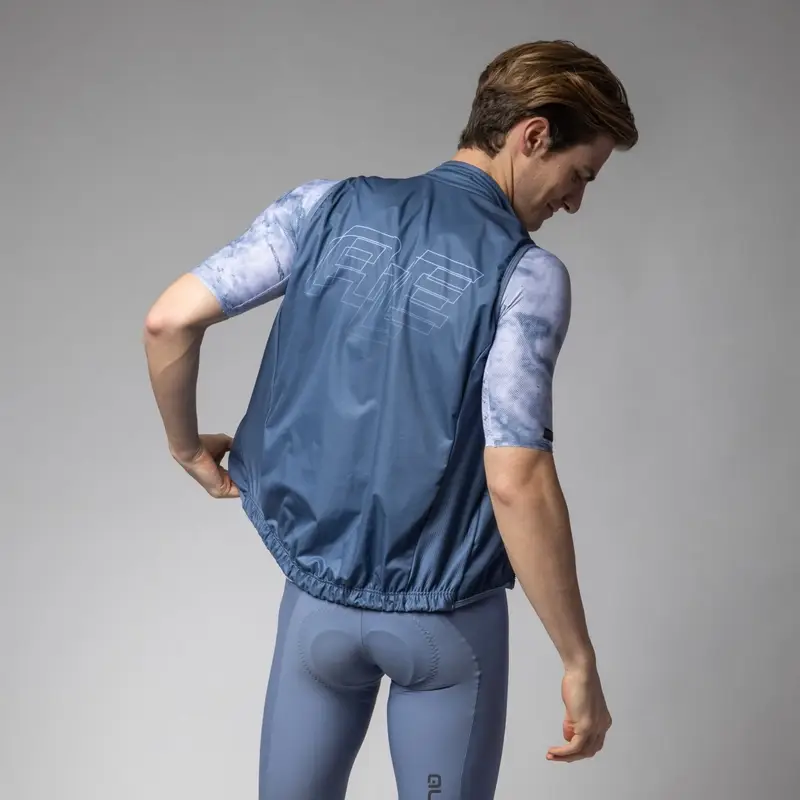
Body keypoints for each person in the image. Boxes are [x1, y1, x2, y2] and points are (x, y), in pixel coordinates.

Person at [143, 39, 637, 799]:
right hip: (447, 629)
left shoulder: (323, 206)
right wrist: (578, 660)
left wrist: (187, 448)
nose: (574, 202)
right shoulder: (528, 276)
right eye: (581, 175)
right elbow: (516, 477)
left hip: (315, 610)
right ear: (534, 135)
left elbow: (169, 320)